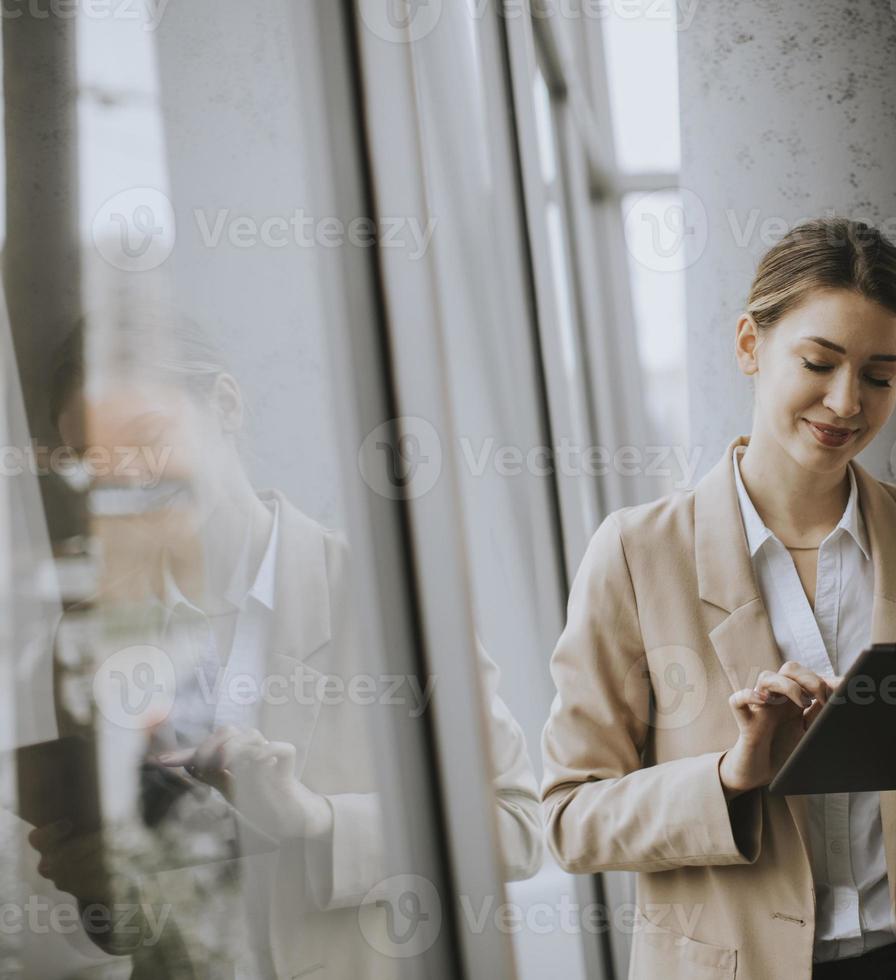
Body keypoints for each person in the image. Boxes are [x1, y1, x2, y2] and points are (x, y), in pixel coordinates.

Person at [539, 217, 896, 979]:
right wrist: (731, 774)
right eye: (818, 362)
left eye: (879, 374)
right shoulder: (637, 554)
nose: (845, 403)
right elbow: (570, 818)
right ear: (748, 346)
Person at [27, 308, 543, 978]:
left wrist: (320, 822)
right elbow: (132, 926)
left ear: (226, 405)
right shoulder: (95, 636)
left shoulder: (394, 598)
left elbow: (517, 828)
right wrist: (103, 894)